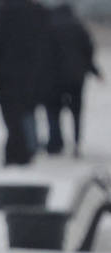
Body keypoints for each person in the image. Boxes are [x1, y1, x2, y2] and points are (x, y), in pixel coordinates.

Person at [0, 0, 51, 166]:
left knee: (13, 115)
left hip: (8, 73)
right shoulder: (39, 13)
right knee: (27, 111)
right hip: (33, 72)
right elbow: (48, 43)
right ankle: (25, 148)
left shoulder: (5, 11)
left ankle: (19, 150)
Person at [44, 2, 102, 157]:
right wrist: (94, 71)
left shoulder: (49, 28)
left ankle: (56, 142)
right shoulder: (78, 27)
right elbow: (88, 51)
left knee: (53, 111)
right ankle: (76, 142)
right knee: (76, 112)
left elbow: (43, 54)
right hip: (76, 78)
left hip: (53, 79)